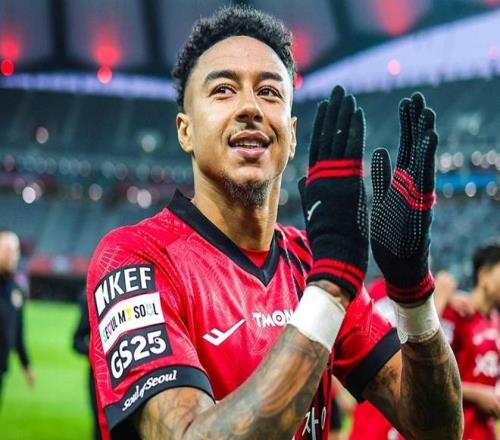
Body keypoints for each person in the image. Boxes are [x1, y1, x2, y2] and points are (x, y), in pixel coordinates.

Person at [86, 6, 462, 439]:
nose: (250, 107)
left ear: (292, 133)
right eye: (223, 90)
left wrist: (413, 294)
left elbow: (436, 430)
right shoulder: (135, 258)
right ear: (185, 131)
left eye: (269, 92)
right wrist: (329, 290)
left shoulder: (313, 262)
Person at [348, 272, 464, 440]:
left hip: (413, 423)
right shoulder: (378, 292)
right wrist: (438, 301)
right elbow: (404, 343)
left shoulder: (447, 302)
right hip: (374, 425)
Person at [441, 243, 500, 440]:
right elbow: (431, 379)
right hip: (453, 430)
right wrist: (477, 394)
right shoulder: (455, 314)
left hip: (484, 432)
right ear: (484, 276)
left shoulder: (496, 322)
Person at [0, 230, 34, 405]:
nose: (12, 256)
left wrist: (26, 364)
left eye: (15, 251)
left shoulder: (16, 289)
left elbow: (17, 330)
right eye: (7, 250)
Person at [73, 290, 101, 439]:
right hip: (98, 378)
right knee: (100, 427)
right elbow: (76, 341)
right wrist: (97, 354)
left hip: (128, 377)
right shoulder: (91, 297)